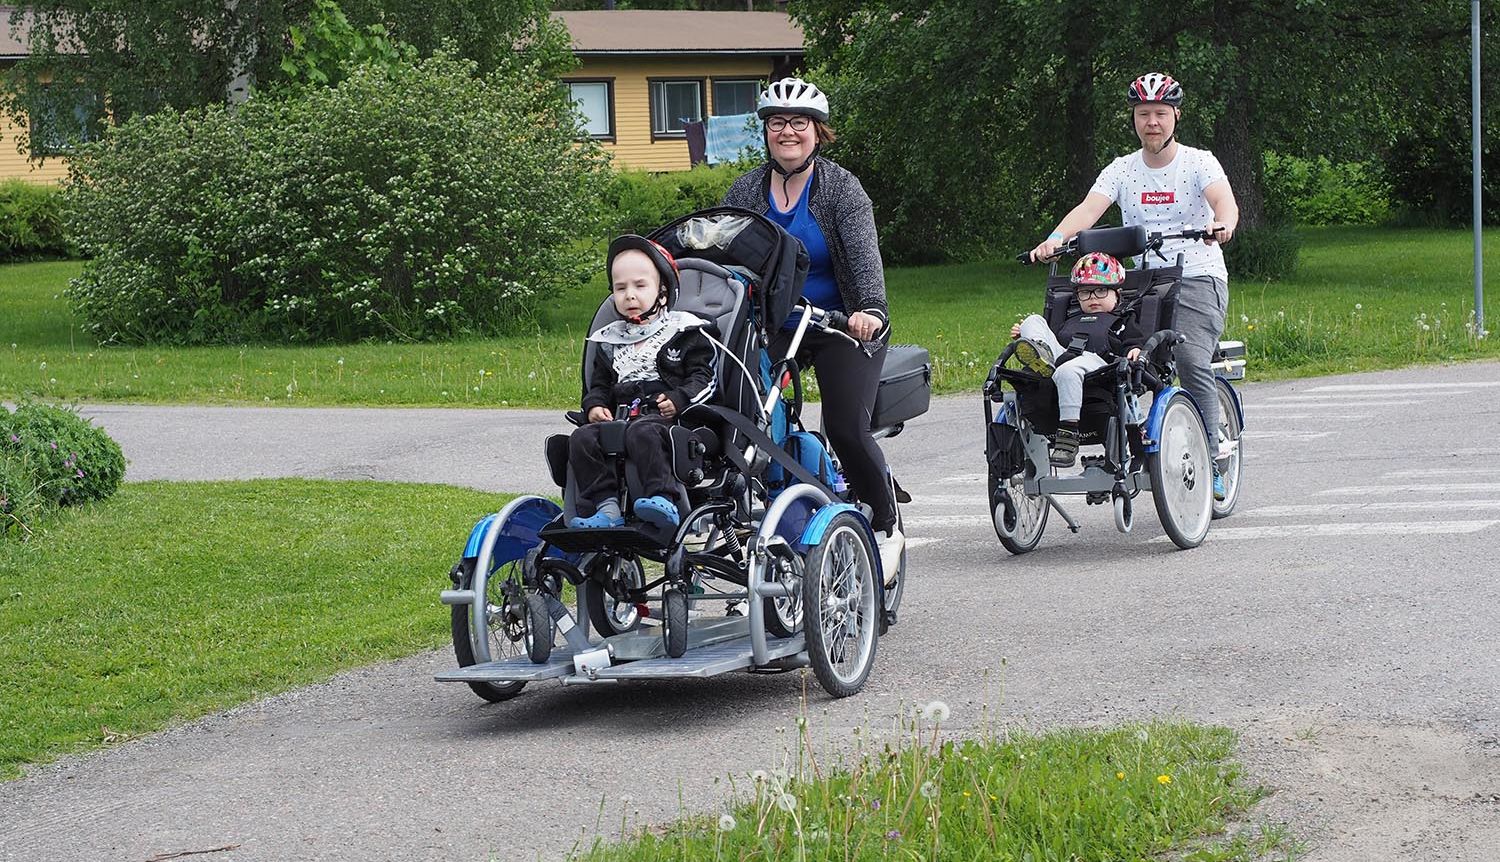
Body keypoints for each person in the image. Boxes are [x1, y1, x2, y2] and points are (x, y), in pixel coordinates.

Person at [721, 77, 904, 580]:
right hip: (774, 324)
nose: (787, 132)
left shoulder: (841, 189)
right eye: (776, 122)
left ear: (817, 132)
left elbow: (866, 267)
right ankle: (753, 529)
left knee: (845, 427)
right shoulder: (745, 191)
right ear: (765, 130)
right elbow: (722, 258)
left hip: (842, 325)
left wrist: (869, 311)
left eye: (798, 123)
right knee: (741, 419)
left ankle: (887, 527)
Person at [1027, 72, 1239, 500]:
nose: (1153, 122)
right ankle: (1127, 445)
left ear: (1176, 116)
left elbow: (1223, 201)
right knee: (1121, 362)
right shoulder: (1122, 169)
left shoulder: (1200, 162)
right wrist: (1054, 240)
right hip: (1142, 282)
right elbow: (1089, 209)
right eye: (1144, 114)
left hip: (1198, 273)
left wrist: (1223, 225)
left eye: (1161, 113)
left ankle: (1213, 453)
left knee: (1189, 356)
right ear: (1134, 119)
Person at [568, 235, 718, 530]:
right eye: (620, 288)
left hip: (667, 419)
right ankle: (605, 506)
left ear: (662, 290)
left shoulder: (685, 333)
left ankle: (663, 498)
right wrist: (595, 405)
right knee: (582, 438)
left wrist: (680, 398)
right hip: (621, 415)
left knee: (643, 432)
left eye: (640, 286)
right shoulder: (610, 340)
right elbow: (598, 385)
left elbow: (704, 378)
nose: (629, 296)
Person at [1008, 252, 1146, 466]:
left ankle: (1068, 434)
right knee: (1033, 320)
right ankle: (1038, 351)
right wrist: (1027, 333)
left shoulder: (1123, 319)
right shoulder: (1070, 319)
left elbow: (1134, 340)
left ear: (1117, 294)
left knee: (1067, 371)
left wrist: (1135, 350)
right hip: (1061, 355)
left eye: (1100, 291)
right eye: (1085, 293)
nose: (1092, 298)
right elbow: (1054, 336)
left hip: (1100, 364)